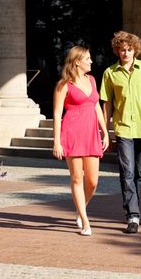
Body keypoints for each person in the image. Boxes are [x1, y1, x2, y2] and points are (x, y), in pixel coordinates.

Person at [100, 30, 141, 234]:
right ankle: (132, 215)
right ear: (117, 51)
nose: (125, 53)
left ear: (135, 49)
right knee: (126, 172)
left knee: (139, 172)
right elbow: (107, 104)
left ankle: (133, 205)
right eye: (121, 50)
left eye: (129, 49)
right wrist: (106, 130)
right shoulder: (110, 73)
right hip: (123, 127)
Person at [53, 45, 109, 236]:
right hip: (72, 133)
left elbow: (95, 107)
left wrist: (105, 131)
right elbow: (57, 113)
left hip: (91, 133)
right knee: (77, 178)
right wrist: (56, 141)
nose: (91, 61)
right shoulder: (63, 85)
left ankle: (80, 208)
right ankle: (85, 221)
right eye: (88, 58)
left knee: (92, 182)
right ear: (77, 61)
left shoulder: (92, 80)